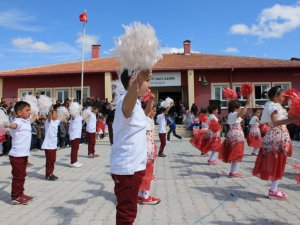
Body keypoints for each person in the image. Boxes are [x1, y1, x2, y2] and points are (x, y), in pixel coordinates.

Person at [110, 69, 151, 225]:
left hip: (134, 167)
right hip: (127, 169)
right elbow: (127, 109)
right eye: (147, 80)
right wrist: (139, 80)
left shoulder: (137, 104)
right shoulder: (124, 101)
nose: (149, 84)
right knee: (126, 213)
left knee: (129, 211)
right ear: (133, 80)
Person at [252, 86, 300, 200]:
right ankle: (273, 190)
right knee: (277, 162)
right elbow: (276, 122)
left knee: (278, 162)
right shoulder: (273, 106)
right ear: (276, 96)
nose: (284, 97)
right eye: (282, 95)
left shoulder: (275, 105)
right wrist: (291, 120)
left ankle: (274, 189)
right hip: (277, 136)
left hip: (278, 135)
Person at [6, 101, 37, 205]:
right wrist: (9, 125)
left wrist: (36, 113)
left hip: (23, 155)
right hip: (16, 155)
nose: (29, 112)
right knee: (18, 176)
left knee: (22, 175)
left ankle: (21, 193)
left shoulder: (25, 122)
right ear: (19, 112)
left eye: (30, 110)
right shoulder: (18, 122)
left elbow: (31, 120)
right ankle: (15, 197)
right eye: (27, 110)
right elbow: (14, 126)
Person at [219, 98, 250, 177]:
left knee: (235, 154)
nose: (241, 108)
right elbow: (242, 113)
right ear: (235, 107)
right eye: (240, 106)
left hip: (233, 135)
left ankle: (233, 171)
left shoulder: (231, 115)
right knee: (237, 154)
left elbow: (241, 116)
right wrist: (247, 104)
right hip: (236, 137)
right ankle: (233, 172)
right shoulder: (233, 114)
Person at [138, 97, 161, 205]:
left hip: (148, 150)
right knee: (147, 173)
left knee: (144, 173)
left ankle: (140, 195)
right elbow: (145, 138)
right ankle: (145, 196)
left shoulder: (149, 119)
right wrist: (150, 151)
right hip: (146, 152)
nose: (155, 113)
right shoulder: (145, 120)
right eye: (153, 110)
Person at [42, 107, 66, 181]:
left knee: (52, 160)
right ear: (51, 115)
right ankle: (48, 175)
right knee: (49, 161)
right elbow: (49, 116)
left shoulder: (56, 121)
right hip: (48, 145)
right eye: (55, 114)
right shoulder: (48, 122)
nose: (57, 115)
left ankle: (51, 173)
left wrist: (64, 112)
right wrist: (50, 110)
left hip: (53, 145)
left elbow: (62, 118)